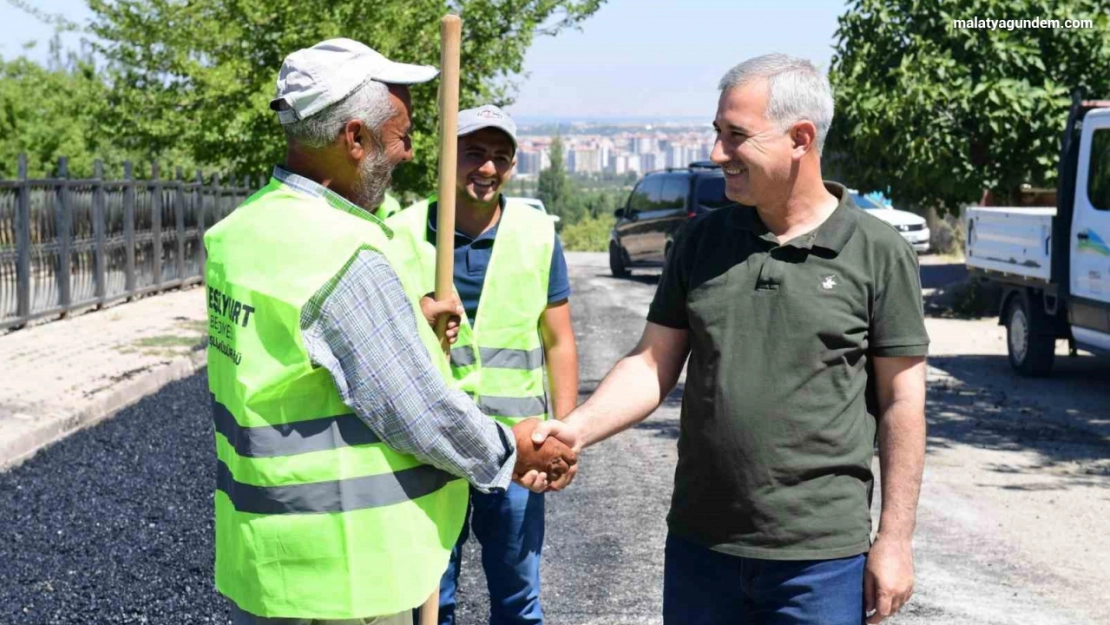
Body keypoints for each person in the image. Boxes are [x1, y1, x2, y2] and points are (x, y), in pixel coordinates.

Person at [534, 54, 929, 624]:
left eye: (736, 136)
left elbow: (902, 402)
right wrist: (574, 429)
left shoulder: (877, 251)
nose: (718, 153)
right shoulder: (700, 242)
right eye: (717, 133)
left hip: (819, 563)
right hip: (702, 550)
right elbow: (651, 365)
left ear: (800, 138)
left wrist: (894, 540)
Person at [204, 39, 576, 625]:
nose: (406, 154)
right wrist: (514, 448)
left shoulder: (243, 232)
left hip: (265, 559)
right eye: (399, 135)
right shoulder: (342, 251)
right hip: (345, 575)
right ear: (354, 138)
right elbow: (418, 412)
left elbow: (299, 363)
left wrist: (403, 323)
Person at [388, 105, 578, 625]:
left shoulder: (536, 235)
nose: (488, 168)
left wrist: (565, 428)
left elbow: (558, 340)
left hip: (515, 449)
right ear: (447, 158)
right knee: (429, 601)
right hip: (429, 448)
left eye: (500, 157)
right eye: (474, 153)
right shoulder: (398, 235)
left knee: (518, 602)